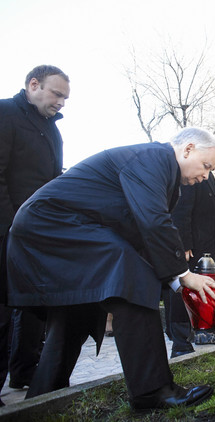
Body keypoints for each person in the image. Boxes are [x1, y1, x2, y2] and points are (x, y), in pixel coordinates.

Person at [4, 127, 215, 410]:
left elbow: (140, 236)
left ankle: (44, 397)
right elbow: (153, 222)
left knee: (77, 307)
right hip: (51, 225)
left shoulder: (160, 168)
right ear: (188, 148)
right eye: (206, 166)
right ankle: (153, 391)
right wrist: (184, 275)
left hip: (47, 226)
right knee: (132, 279)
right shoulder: (155, 157)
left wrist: (174, 283)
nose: (206, 176)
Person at [0, 65, 70, 402]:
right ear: (33, 85)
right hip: (6, 231)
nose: (62, 103)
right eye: (57, 94)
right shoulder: (5, 114)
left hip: (36, 236)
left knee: (32, 305)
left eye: (65, 98)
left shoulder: (53, 130)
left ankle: (24, 372)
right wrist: (11, 225)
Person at [164, 138, 215, 353]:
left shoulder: (210, 177)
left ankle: (204, 327)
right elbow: (182, 208)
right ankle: (180, 336)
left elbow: (214, 215)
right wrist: (185, 242)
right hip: (191, 245)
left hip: (207, 244)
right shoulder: (192, 173)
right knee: (182, 288)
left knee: (205, 289)